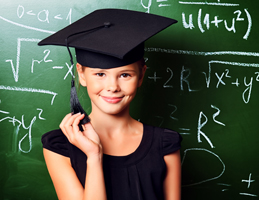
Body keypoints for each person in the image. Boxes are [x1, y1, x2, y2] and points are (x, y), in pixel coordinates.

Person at [39, 9, 182, 200]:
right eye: (100, 74)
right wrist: (94, 156)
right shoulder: (60, 146)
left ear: (141, 75)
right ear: (81, 74)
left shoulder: (164, 143)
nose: (112, 87)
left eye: (125, 75)